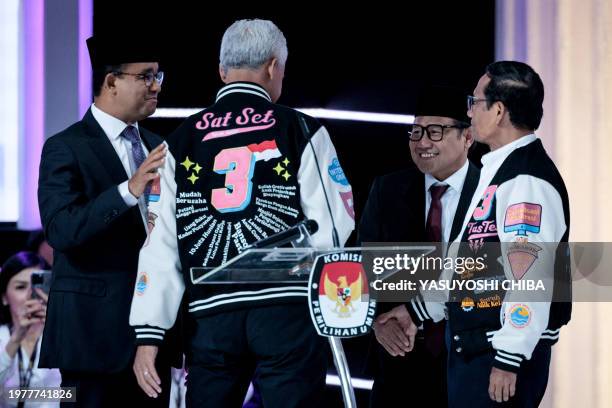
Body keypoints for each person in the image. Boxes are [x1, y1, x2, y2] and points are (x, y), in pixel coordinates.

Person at [129, 19, 355, 407]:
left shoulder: (178, 142)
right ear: (272, 67)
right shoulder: (299, 128)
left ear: (221, 71)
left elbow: (160, 243)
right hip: (284, 308)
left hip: (210, 314)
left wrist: (149, 334)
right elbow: (333, 227)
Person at [400, 61, 571, 407]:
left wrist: (509, 359)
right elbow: (471, 261)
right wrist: (417, 311)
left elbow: (530, 278)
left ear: (498, 110)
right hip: (478, 352)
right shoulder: (498, 172)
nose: (469, 110)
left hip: (496, 360)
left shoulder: (525, 181)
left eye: (474, 102)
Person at [37, 33, 180, 406]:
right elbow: (61, 229)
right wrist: (127, 191)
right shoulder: (65, 146)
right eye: (146, 76)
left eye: (158, 76)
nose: (155, 86)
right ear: (111, 81)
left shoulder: (158, 145)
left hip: (154, 336)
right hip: (92, 338)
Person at [359, 85, 480, 407]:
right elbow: (364, 267)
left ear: (467, 137)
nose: (422, 142)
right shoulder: (387, 189)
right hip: (399, 359)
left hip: (470, 361)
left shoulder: (491, 192)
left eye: (436, 131)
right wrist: (377, 323)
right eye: (415, 131)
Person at [0, 251, 61, 407]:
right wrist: (16, 338)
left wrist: (57, 324)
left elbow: (75, 392)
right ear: (4, 297)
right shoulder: (2, 337)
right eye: (21, 287)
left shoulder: (64, 337)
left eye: (37, 286)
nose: (31, 295)